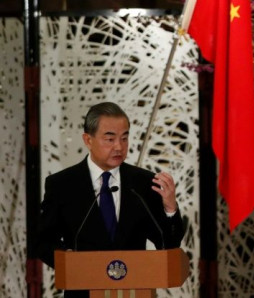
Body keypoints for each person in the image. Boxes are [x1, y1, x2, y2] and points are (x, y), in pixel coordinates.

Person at [36, 102, 185, 297]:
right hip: (83, 291)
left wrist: (170, 207)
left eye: (124, 138)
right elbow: (43, 241)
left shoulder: (143, 183)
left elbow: (169, 245)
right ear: (88, 140)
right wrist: (67, 259)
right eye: (110, 139)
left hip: (134, 292)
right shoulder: (62, 185)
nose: (119, 147)